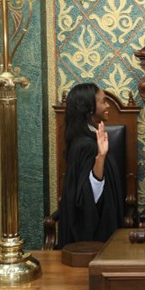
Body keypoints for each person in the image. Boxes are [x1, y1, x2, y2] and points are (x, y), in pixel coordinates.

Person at [58, 83, 124, 248]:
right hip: (92, 240)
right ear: (89, 108)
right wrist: (100, 157)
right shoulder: (86, 145)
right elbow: (87, 198)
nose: (107, 105)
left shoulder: (88, 138)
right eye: (103, 102)